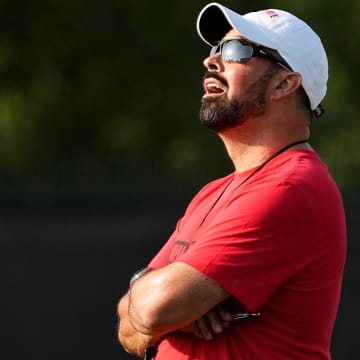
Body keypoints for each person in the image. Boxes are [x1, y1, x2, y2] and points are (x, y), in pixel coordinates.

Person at [117, 2, 347, 359]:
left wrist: (158, 304)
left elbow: (150, 311)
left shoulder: (292, 187)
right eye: (214, 50)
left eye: (236, 51)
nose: (211, 62)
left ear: (284, 84)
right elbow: (128, 326)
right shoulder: (213, 192)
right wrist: (154, 301)